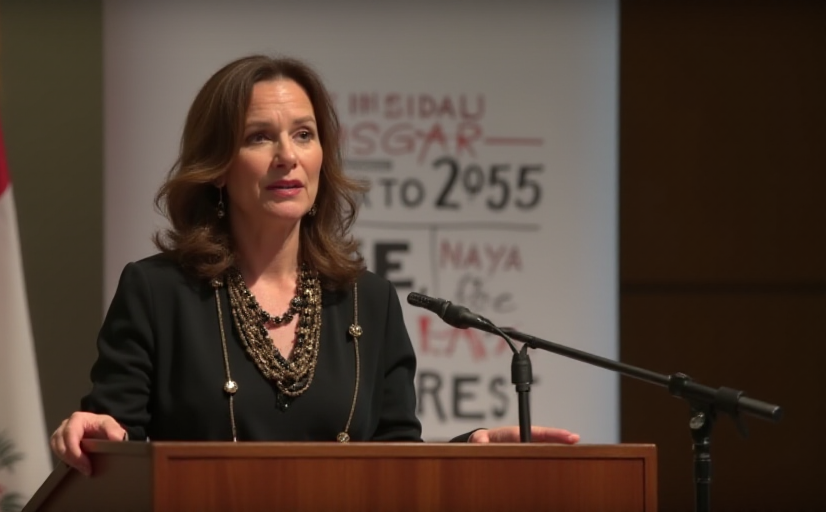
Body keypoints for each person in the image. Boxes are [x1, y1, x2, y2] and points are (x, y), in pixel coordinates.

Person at [50, 55, 580, 476]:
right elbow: (115, 444)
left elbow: (396, 461)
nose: (288, 155)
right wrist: (96, 433)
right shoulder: (157, 292)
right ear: (217, 167)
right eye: (260, 136)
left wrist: (468, 450)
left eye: (304, 134)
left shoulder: (369, 301)